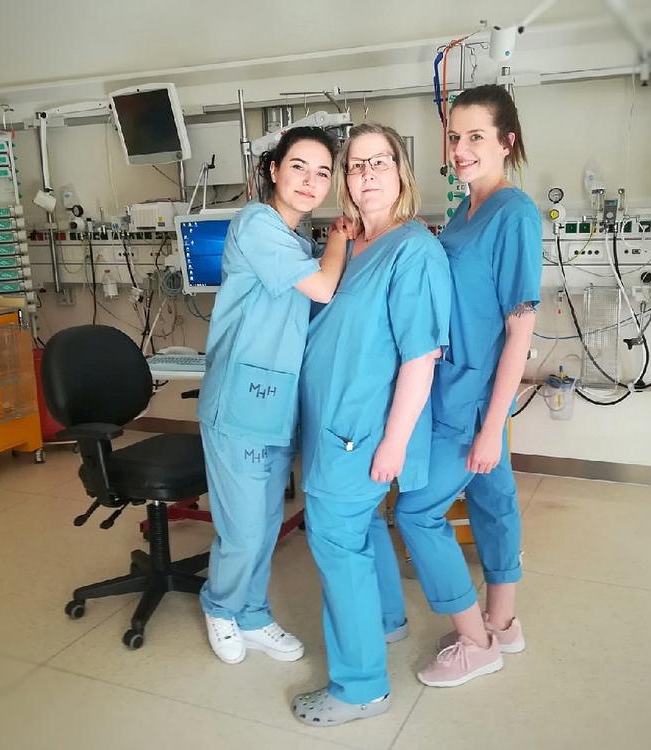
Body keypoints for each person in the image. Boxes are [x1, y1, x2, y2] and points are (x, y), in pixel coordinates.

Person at [291, 123, 451, 727]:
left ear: (401, 171)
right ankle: (385, 619)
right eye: (355, 165)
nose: (366, 175)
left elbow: (420, 357)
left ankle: (359, 688)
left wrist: (394, 443)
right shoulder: (354, 243)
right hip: (336, 423)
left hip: (362, 432)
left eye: (378, 162)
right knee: (361, 531)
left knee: (337, 543)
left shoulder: (413, 250)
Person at [396, 84, 542, 688]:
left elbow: (519, 330)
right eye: (454, 137)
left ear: (507, 141)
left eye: (475, 136)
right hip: (455, 385)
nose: (459, 148)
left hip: (471, 398)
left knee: (416, 513)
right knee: (493, 500)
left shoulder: (514, 214)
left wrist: (490, 426)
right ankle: (502, 623)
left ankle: (475, 643)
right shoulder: (465, 209)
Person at [197, 126, 348, 665]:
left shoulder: (297, 243)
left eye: (323, 172)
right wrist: (341, 234)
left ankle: (253, 613)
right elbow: (324, 286)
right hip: (238, 404)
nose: (311, 180)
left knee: (264, 525)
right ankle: (220, 606)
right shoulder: (256, 223)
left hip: (276, 405)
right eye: (299, 166)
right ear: (273, 170)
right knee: (241, 531)